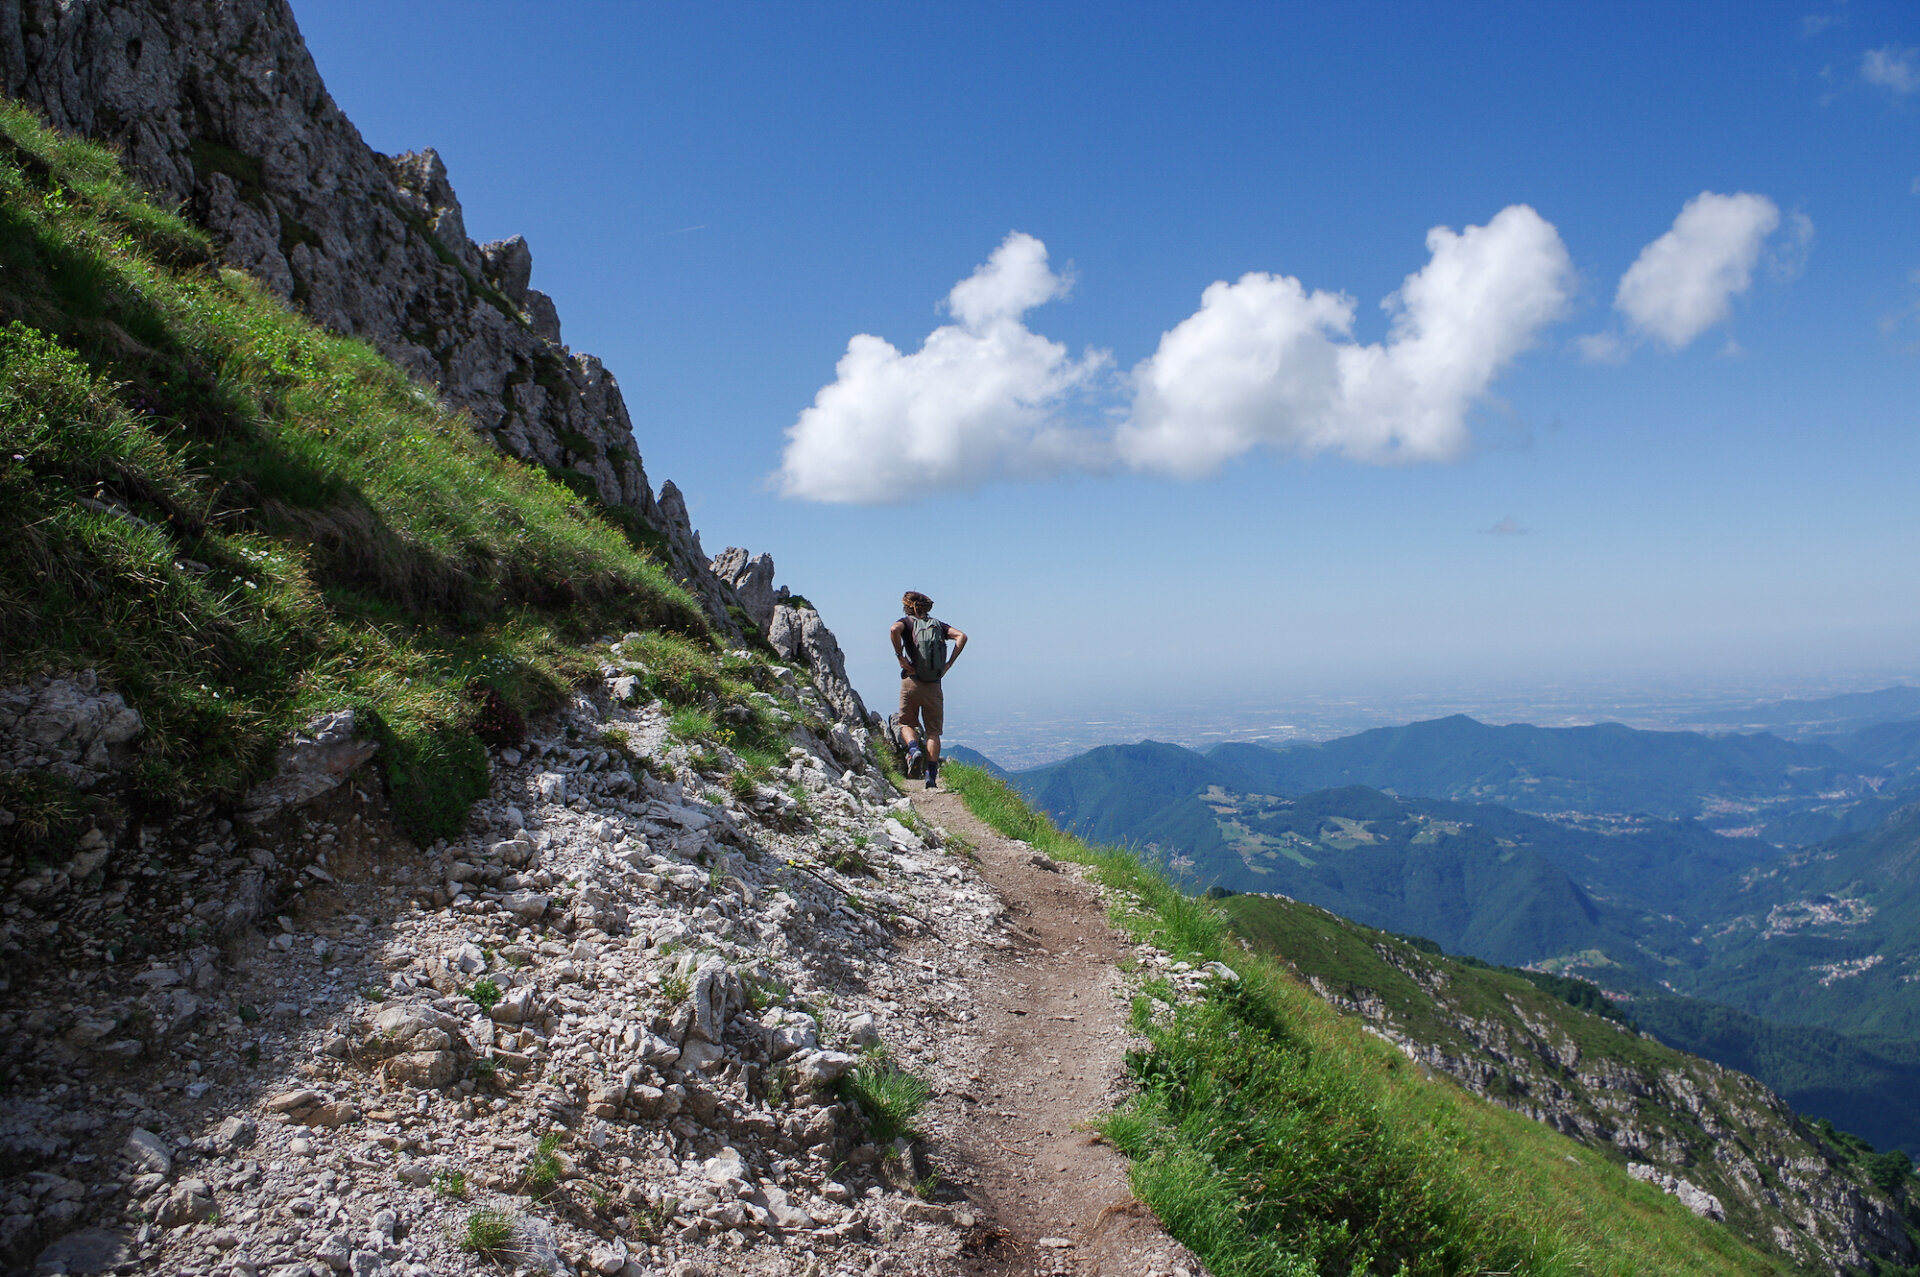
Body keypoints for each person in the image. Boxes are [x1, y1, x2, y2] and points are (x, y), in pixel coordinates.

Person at [890, 591, 966, 789]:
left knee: (906, 723)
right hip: (933, 684)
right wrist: (948, 664)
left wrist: (900, 656)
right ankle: (930, 775)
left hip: (911, 681)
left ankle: (914, 749)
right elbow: (961, 636)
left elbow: (893, 630)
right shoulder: (938, 626)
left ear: (907, 606)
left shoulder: (906, 623)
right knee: (933, 732)